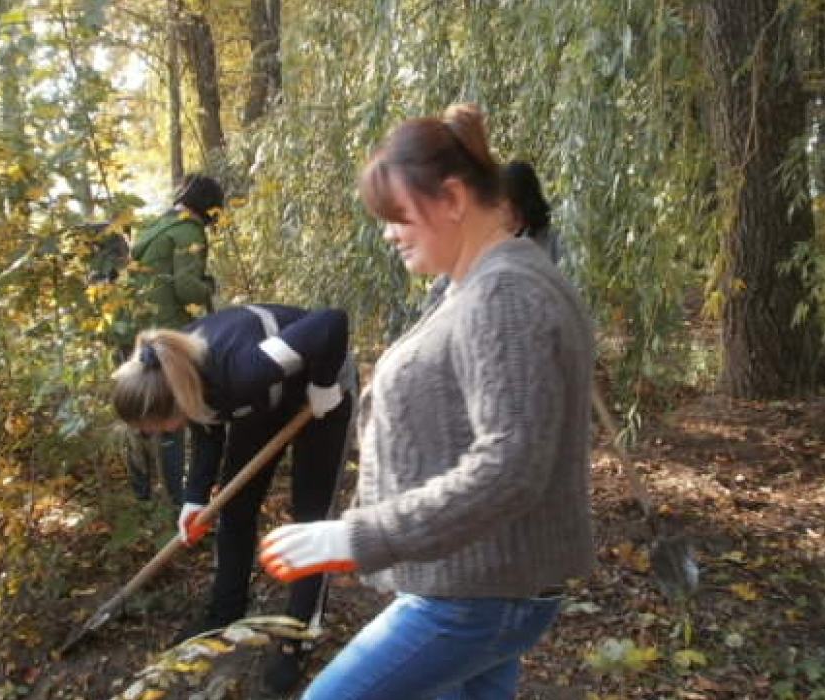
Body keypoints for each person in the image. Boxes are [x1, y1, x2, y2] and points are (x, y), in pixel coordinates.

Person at [256, 104, 595, 700]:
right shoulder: (477, 282)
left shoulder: (506, 294)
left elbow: (511, 468)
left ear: (454, 199)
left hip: (478, 596)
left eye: (399, 215)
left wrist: (356, 537)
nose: (387, 231)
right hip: (481, 582)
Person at [111, 305, 353, 693]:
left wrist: (323, 385)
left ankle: (297, 636)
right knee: (234, 508)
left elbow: (331, 323)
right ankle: (224, 613)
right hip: (262, 399)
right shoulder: (176, 371)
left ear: (174, 402)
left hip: (319, 388)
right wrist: (194, 498)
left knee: (310, 519)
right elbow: (207, 423)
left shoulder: (240, 369)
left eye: (156, 427)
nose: (157, 436)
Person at [122, 173, 225, 505]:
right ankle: (180, 504)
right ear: (209, 209)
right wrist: (208, 287)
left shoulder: (154, 227)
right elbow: (187, 289)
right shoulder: (188, 231)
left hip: (136, 336)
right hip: (169, 336)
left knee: (141, 415)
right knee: (171, 420)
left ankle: (141, 498)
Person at [421, 159, 559, 312]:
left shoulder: (553, 243)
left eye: (500, 204)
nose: (494, 212)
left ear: (522, 205)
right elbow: (436, 298)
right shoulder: (480, 243)